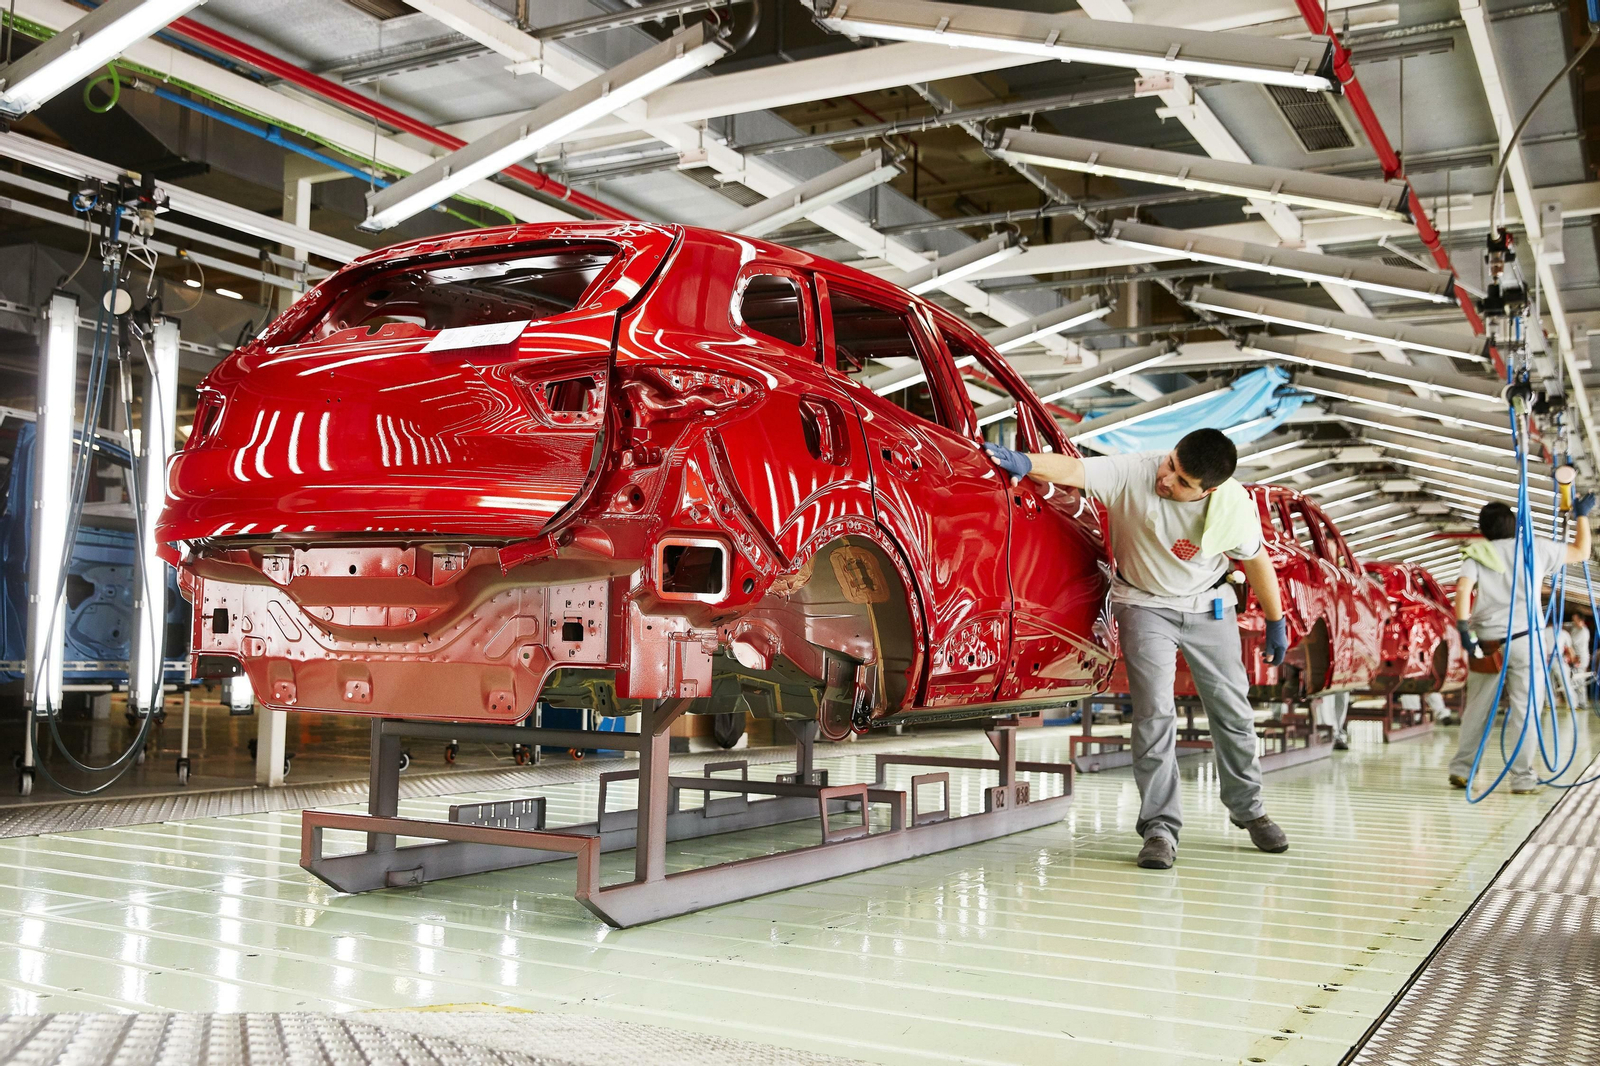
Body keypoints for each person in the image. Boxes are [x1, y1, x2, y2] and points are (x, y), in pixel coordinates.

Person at [984, 429, 1291, 870]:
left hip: (1211, 606)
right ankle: (1160, 828)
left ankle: (1249, 809)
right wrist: (1026, 462)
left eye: (1183, 481)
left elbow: (1256, 560)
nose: (1167, 479)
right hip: (1145, 605)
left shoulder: (1233, 506)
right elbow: (1075, 469)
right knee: (1153, 714)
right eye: (1171, 464)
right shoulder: (1135, 471)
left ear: (1210, 490)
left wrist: (1276, 621)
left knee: (1233, 712)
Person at [1449, 499, 1593, 793]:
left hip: (1488, 644)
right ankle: (1522, 778)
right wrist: (1581, 517)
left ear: (1483, 529)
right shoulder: (1535, 548)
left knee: (1478, 708)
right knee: (1525, 710)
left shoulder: (1477, 554)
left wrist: (1463, 629)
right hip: (1528, 641)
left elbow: (1463, 590)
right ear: (1515, 525)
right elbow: (1582, 551)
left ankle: (1463, 770)